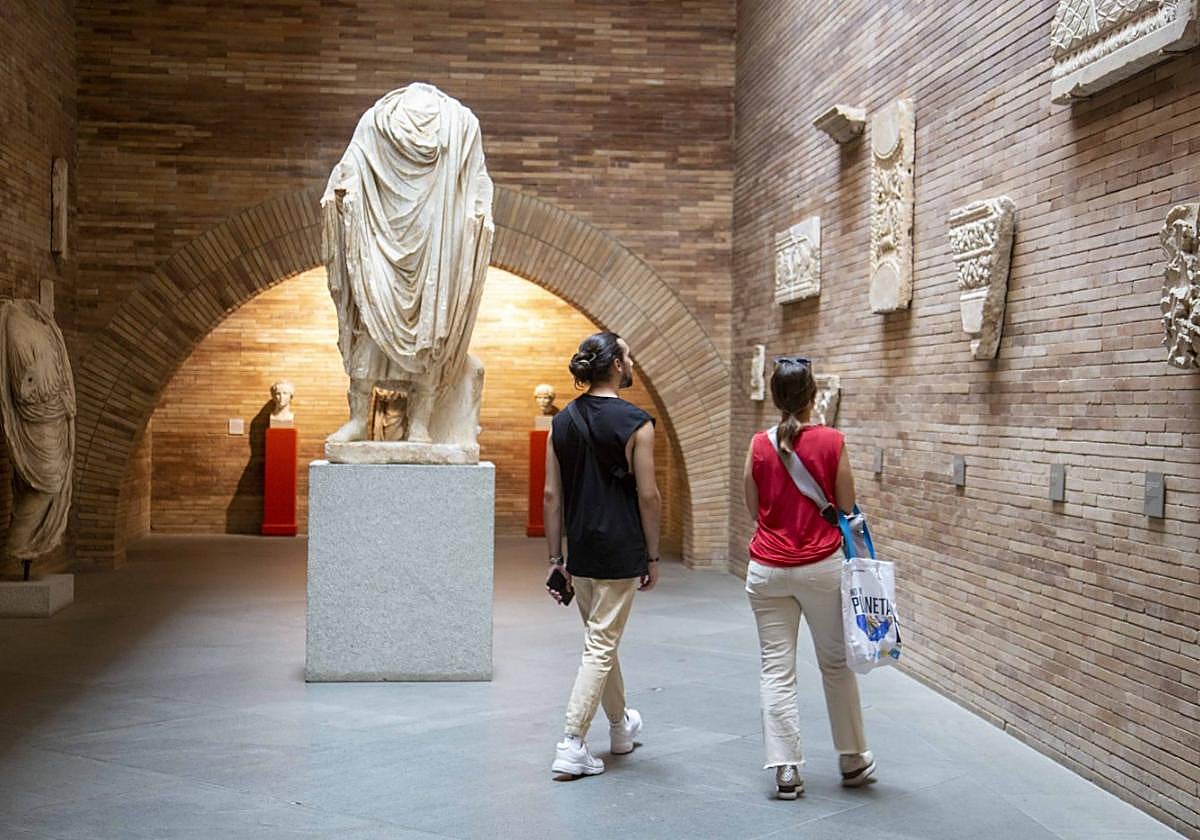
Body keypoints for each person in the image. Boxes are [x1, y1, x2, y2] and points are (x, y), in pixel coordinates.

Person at [742, 356, 876, 799]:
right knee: (836, 663)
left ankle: (785, 769)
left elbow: (753, 504)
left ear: (776, 398)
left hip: (767, 569)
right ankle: (853, 756)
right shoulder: (833, 441)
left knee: (775, 670)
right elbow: (846, 507)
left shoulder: (759, 444)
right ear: (813, 395)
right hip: (821, 567)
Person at [542, 331, 661, 779]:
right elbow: (648, 496)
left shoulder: (562, 422)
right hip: (621, 546)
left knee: (600, 638)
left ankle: (620, 727)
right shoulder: (637, 423)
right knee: (601, 644)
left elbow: (552, 495)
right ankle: (571, 741)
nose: (632, 361)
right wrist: (652, 556)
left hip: (581, 550)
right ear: (615, 364)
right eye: (628, 354)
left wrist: (556, 558)